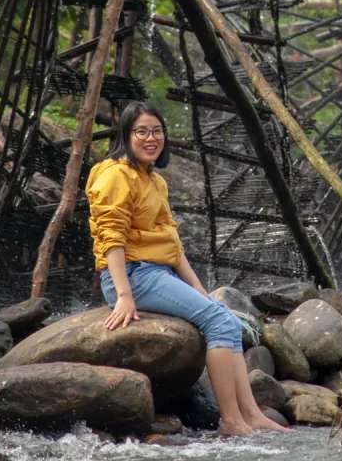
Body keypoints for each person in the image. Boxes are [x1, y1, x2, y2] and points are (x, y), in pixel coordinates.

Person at [85, 100, 288, 437]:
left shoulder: (154, 180)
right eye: (141, 132)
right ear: (126, 135)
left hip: (155, 273)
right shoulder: (115, 175)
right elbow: (111, 239)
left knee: (221, 315)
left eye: (157, 131)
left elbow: (173, 245)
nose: (151, 138)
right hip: (133, 275)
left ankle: (250, 413)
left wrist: (200, 292)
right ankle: (231, 421)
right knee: (220, 321)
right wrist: (123, 295)